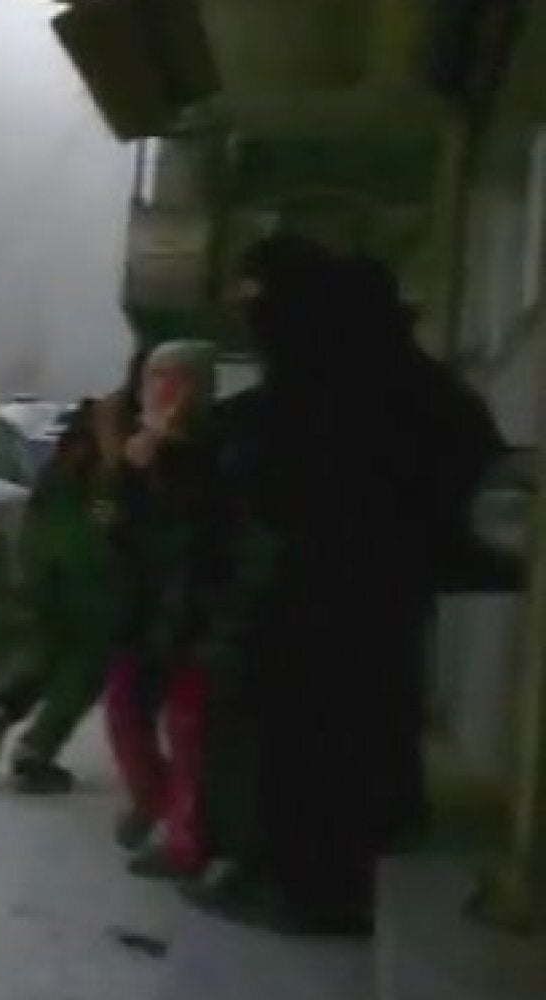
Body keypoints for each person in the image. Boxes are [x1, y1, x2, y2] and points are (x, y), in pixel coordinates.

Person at [185, 235, 504, 935]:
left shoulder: (321, 384)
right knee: (361, 729)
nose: (247, 316)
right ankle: (335, 873)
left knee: (291, 740)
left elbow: (270, 483)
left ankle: (296, 883)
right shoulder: (414, 383)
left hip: (300, 602)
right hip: (374, 602)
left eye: (254, 300)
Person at [100, 338, 224, 879]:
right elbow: (117, 528)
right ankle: (155, 797)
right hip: (143, 607)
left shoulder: (214, 451)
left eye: (178, 378)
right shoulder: (134, 450)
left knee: (188, 726)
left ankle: (186, 842)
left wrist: (166, 454)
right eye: (156, 377)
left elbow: (196, 530)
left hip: (193, 611)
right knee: (124, 710)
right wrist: (129, 467)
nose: (164, 390)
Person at [0, 397, 121, 793]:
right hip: (84, 576)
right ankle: (35, 751)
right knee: (86, 665)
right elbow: (98, 533)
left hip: (39, 568)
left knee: (47, 651)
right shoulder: (106, 471)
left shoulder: (59, 465)